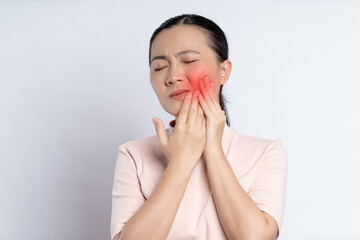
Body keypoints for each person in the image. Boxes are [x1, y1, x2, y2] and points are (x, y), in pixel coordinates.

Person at [110, 14, 288, 240]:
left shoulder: (265, 153)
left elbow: (255, 237)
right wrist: (180, 163)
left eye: (189, 61)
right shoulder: (133, 154)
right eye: (159, 66)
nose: (172, 76)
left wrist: (213, 149)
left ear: (223, 71)